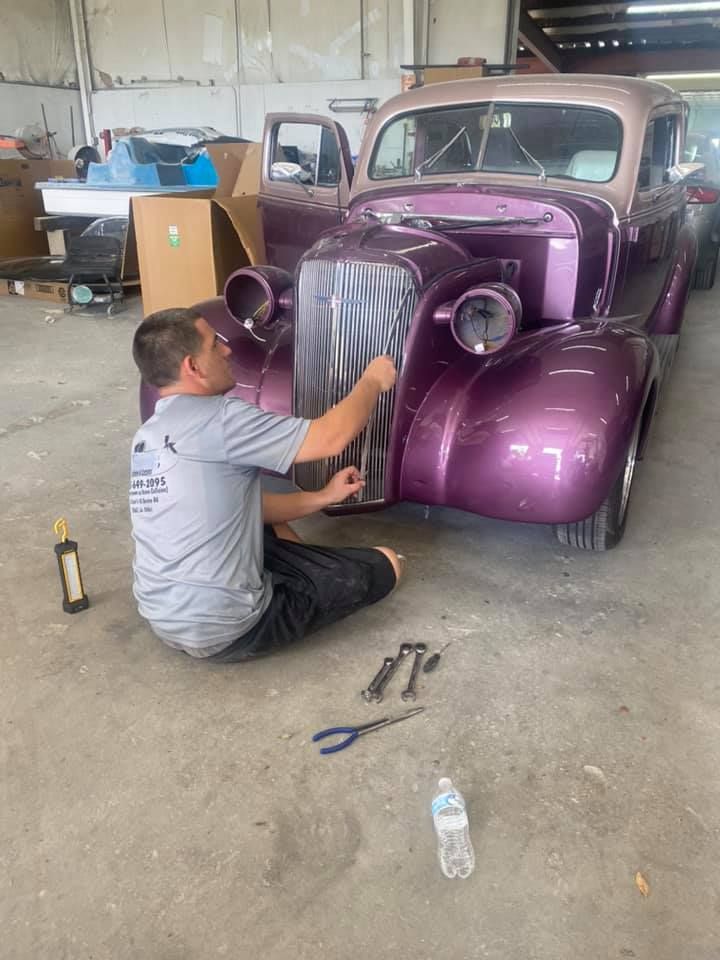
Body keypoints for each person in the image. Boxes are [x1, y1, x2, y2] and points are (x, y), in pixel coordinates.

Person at [129, 307, 403, 661]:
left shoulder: (148, 435)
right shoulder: (221, 420)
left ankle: (297, 572)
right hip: (232, 628)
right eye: (215, 345)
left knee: (270, 521)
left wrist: (324, 497)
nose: (227, 350)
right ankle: (297, 583)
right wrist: (373, 381)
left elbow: (248, 507)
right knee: (387, 563)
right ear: (192, 367)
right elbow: (331, 438)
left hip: (164, 617)